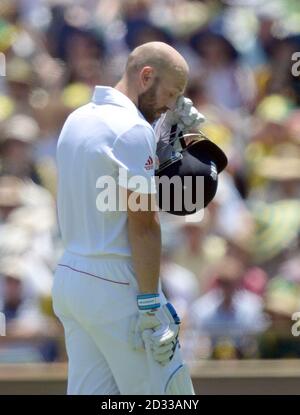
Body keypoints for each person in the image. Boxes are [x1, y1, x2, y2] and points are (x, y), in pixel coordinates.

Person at [52, 41, 201, 395]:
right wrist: (150, 303)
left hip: (72, 277)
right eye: (170, 93)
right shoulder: (132, 129)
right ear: (146, 76)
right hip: (118, 283)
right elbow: (143, 222)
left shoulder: (78, 117)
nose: (172, 105)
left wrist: (163, 139)